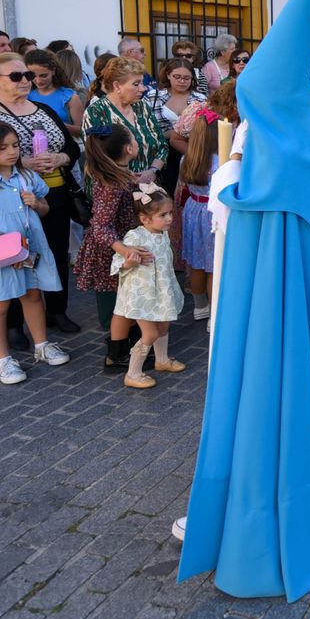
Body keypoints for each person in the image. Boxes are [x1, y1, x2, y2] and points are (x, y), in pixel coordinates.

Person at [0, 52, 83, 334]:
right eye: (16, 76)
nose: (26, 80)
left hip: (52, 192)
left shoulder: (44, 109)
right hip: (4, 199)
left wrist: (60, 159)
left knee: (54, 252)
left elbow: (71, 147)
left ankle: (56, 310)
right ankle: (13, 324)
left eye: (27, 75)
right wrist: (23, 162)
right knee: (10, 257)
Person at [0, 120, 68, 384]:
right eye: (3, 147)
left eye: (16, 145)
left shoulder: (27, 177)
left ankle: (41, 344)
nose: (12, 151)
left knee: (32, 294)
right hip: (1, 255)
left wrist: (37, 203)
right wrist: (9, 248)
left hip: (30, 249)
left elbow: (44, 209)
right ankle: (1, 359)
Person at [76, 125, 147, 368]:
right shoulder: (111, 183)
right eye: (135, 140)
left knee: (130, 300)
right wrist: (125, 250)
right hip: (115, 253)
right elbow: (101, 225)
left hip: (125, 246)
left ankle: (134, 344)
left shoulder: (121, 175)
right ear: (129, 149)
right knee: (125, 304)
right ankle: (117, 354)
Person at [110, 184, 185, 388]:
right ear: (145, 219)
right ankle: (133, 373)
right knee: (150, 333)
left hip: (160, 290)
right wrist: (129, 261)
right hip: (141, 294)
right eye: (163, 215)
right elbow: (118, 263)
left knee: (163, 324)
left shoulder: (163, 232)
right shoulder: (135, 237)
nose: (169, 218)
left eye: (170, 213)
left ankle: (162, 360)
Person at [85, 57, 167, 182]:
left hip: (150, 186)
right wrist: (128, 178)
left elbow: (162, 145)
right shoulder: (96, 111)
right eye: (136, 84)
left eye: (142, 83)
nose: (143, 88)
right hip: (114, 188)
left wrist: (153, 171)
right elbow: (97, 156)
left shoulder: (142, 107)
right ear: (117, 85)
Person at [180, 110, 221, 321]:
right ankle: (214, 315)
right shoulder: (219, 163)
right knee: (214, 265)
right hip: (212, 214)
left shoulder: (187, 158)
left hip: (192, 210)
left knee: (196, 263)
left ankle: (199, 307)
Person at [146, 57, 205, 194]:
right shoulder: (153, 96)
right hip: (161, 153)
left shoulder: (200, 99)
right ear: (168, 75)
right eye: (177, 77)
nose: (182, 81)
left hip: (189, 150)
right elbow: (146, 127)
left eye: (186, 78)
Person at [24, 48, 83, 135]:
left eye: (43, 75)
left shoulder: (69, 97)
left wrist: (58, 125)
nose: (38, 80)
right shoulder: (26, 96)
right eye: (32, 76)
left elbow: (82, 130)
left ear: (53, 71)